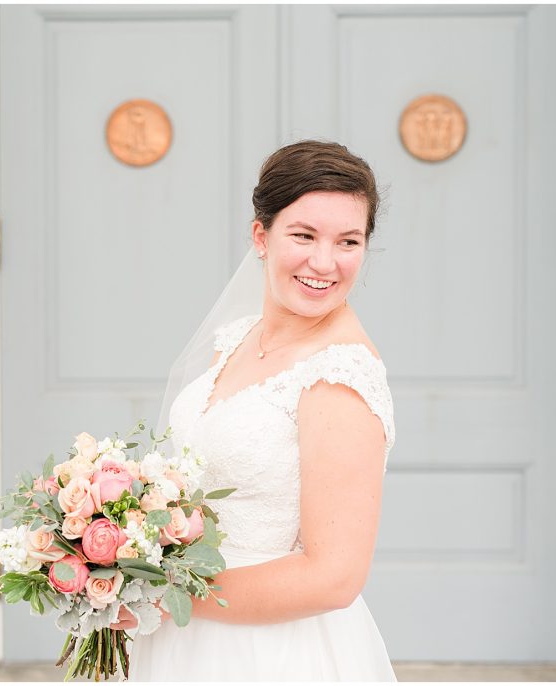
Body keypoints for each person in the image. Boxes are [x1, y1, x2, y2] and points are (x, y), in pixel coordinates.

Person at [112, 140, 397, 681]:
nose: (325, 262)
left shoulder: (339, 381)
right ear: (261, 236)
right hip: (186, 634)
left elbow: (333, 578)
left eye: (348, 241)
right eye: (304, 235)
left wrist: (165, 592)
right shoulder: (240, 337)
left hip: (271, 652)